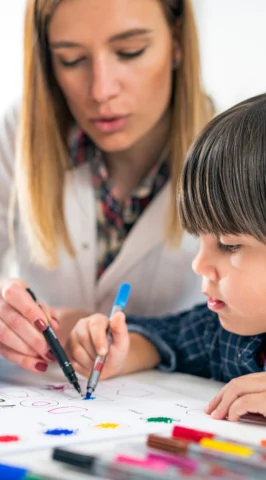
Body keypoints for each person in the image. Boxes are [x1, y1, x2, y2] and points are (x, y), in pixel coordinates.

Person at [67, 86, 266, 433]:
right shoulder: (229, 325)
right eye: (199, 240)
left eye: (229, 245)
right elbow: (168, 339)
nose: (199, 265)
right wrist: (119, 350)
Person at [0, 0, 212, 373]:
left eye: (130, 52)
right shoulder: (17, 133)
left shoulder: (242, 157)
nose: (100, 90)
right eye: (71, 60)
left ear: (177, 41)